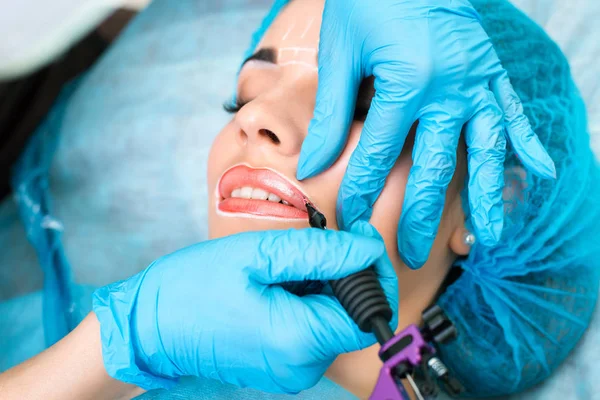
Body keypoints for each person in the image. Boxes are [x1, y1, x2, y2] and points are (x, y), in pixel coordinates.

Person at [1, 0, 581, 399]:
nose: (255, 119)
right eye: (243, 96)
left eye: (363, 107)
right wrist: (114, 346)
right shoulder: (72, 328)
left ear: (496, 200)